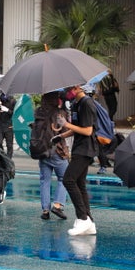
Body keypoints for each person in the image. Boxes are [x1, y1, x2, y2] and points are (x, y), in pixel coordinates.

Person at [53, 84, 98, 236]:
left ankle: (82, 218)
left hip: (86, 149)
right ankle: (89, 222)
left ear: (79, 87)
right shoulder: (77, 103)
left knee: (68, 180)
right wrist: (61, 135)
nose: (68, 91)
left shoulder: (87, 103)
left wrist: (66, 124)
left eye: (71, 88)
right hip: (79, 147)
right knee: (79, 183)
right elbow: (78, 128)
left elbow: (88, 130)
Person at [34, 92, 69, 220]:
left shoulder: (38, 112)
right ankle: (58, 205)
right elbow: (65, 131)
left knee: (45, 181)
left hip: (42, 151)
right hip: (57, 150)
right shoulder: (59, 113)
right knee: (64, 178)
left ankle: (45, 210)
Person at [0, 92, 16, 158]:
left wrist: (7, 110)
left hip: (9, 125)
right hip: (0, 125)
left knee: (9, 145)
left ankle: (9, 161)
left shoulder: (13, 100)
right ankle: (3, 157)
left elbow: (15, 114)